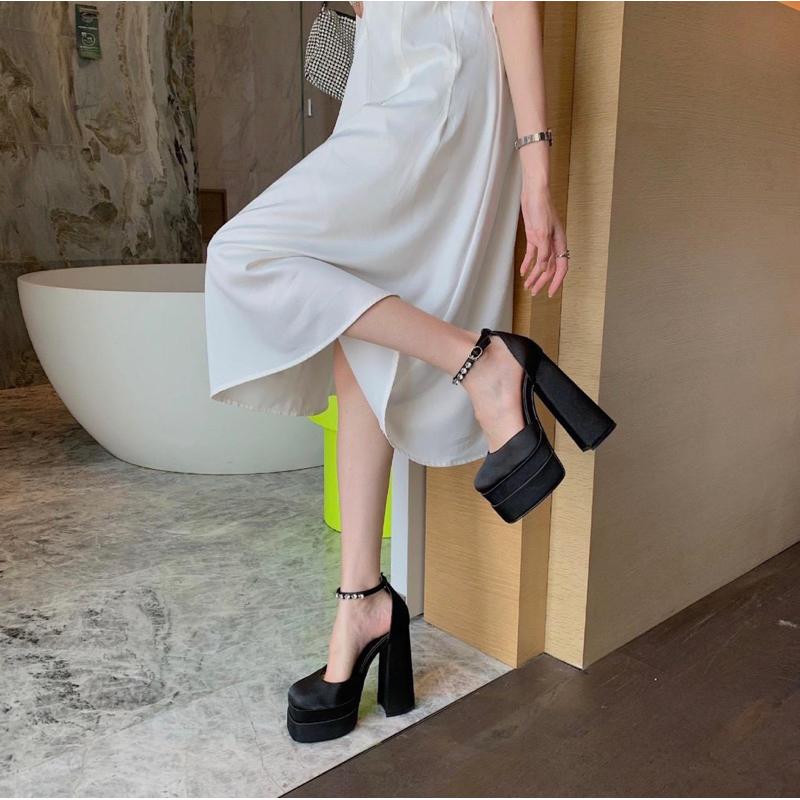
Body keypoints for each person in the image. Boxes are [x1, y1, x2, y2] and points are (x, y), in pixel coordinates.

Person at [204, 0, 614, 743]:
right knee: (359, 336)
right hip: (381, 68)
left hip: (439, 71)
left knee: (242, 254)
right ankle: (361, 600)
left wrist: (536, 170)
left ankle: (483, 365)